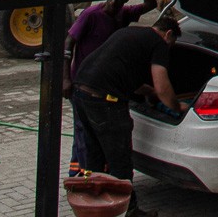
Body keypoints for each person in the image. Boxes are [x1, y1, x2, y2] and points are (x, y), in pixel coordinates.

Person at [72, 15, 183, 216]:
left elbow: (126, 76)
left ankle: (95, 208)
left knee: (94, 156)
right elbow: (162, 86)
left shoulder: (129, 33)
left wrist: (150, 93)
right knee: (120, 160)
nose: (168, 48)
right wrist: (177, 106)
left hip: (81, 93)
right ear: (168, 34)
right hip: (105, 102)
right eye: (171, 44)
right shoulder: (159, 43)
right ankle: (129, 212)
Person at [66, 0, 150, 177]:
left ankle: (94, 173)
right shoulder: (91, 15)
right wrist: (65, 79)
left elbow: (150, 4)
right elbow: (68, 43)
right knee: (83, 131)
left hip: (104, 88)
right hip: (83, 84)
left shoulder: (124, 14)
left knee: (96, 133)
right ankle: (79, 175)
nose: (115, 1)